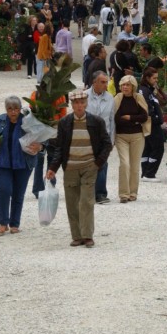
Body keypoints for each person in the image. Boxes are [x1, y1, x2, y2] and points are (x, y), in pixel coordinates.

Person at [46, 90, 113, 248]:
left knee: (86, 201)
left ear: (86, 103)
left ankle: (87, 235)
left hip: (89, 166)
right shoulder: (65, 122)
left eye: (82, 102)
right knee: (72, 202)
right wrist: (53, 168)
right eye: (76, 103)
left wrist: (98, 163)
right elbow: (59, 148)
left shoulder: (96, 121)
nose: (79, 106)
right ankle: (77, 236)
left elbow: (107, 144)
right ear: (72, 104)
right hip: (70, 167)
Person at [0, 96, 42, 234]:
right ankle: (3, 223)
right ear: (6, 109)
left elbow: (44, 137)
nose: (13, 112)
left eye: (16, 109)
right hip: (3, 162)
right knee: (4, 189)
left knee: (18, 193)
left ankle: (14, 224)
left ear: (20, 109)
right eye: (10, 109)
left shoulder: (28, 121)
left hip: (24, 163)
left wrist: (40, 146)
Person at [113, 74, 149, 202]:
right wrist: (133, 119)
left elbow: (144, 116)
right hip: (121, 136)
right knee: (124, 164)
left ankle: (133, 193)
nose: (125, 87)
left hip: (137, 136)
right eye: (123, 85)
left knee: (134, 166)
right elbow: (115, 118)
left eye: (128, 85)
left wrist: (130, 118)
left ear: (133, 86)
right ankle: (123, 194)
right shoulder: (117, 98)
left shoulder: (138, 98)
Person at [86, 71, 115, 204]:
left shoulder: (110, 98)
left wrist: (112, 139)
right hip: (87, 136)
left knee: (102, 163)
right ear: (94, 82)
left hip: (104, 136)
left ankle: (101, 193)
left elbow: (112, 120)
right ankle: (87, 192)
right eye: (103, 82)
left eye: (106, 82)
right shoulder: (84, 96)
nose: (106, 84)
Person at [139, 67, 166, 181]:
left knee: (148, 148)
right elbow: (147, 108)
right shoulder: (145, 91)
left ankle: (145, 172)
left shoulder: (148, 89)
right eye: (154, 78)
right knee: (158, 148)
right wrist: (155, 118)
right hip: (151, 123)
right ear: (147, 78)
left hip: (151, 123)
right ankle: (149, 173)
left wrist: (158, 90)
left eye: (157, 78)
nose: (156, 80)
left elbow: (164, 100)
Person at [17, 15, 37, 80]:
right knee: (30, 60)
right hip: (28, 45)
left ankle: (36, 71)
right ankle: (29, 74)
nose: (34, 22)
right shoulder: (27, 27)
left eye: (35, 20)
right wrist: (30, 37)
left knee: (36, 59)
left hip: (36, 45)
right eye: (33, 20)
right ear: (30, 21)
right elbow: (25, 36)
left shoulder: (37, 27)